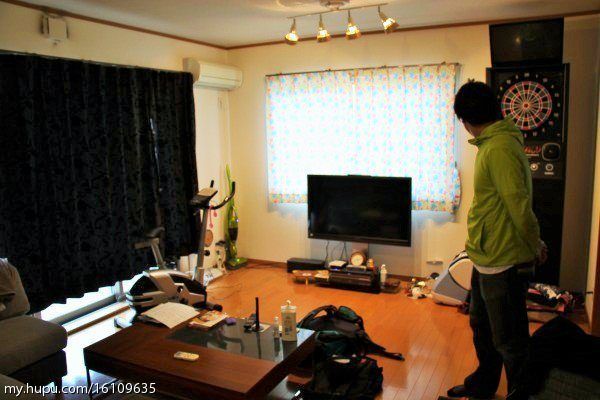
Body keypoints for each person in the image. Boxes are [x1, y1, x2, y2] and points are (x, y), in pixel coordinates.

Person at [448, 81, 547, 400]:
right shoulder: (492, 143)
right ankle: (483, 384)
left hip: (502, 260)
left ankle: (521, 393)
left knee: (509, 339)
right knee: (482, 327)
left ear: (465, 119)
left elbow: (519, 205)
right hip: (486, 256)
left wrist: (535, 244)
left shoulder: (499, 148)